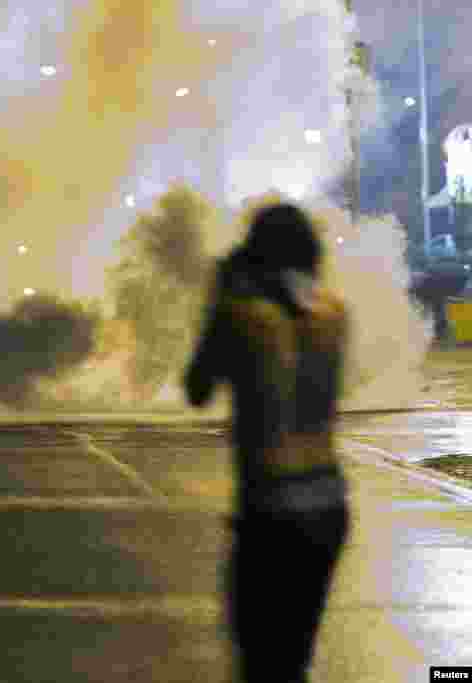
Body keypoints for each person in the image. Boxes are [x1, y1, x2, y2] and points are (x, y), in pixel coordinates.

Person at [183, 204, 351, 683]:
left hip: (271, 506)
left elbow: (198, 388)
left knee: (259, 660)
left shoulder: (241, 316)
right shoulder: (335, 314)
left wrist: (221, 296)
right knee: (294, 658)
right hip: (330, 500)